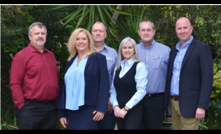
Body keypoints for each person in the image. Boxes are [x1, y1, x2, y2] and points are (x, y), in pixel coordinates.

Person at [164, 17, 213, 130]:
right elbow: (169, 77)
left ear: (191, 28)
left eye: (185, 27)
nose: (182, 31)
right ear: (176, 31)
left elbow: (207, 78)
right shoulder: (173, 51)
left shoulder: (202, 48)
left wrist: (202, 106)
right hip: (173, 103)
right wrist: (167, 105)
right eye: (179, 28)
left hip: (191, 105)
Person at [56, 28, 110, 130]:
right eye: (77, 39)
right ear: (74, 42)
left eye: (84, 39)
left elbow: (104, 84)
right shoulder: (70, 61)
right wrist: (63, 113)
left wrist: (101, 109)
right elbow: (64, 87)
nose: (81, 42)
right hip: (71, 109)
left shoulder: (98, 58)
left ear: (89, 41)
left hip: (90, 109)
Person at [10, 22, 60, 130]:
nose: (40, 36)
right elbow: (15, 83)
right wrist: (21, 105)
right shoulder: (21, 56)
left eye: (43, 33)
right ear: (30, 36)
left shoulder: (51, 55)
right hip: (31, 108)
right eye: (37, 33)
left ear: (46, 36)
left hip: (51, 108)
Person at [136, 19, 171, 130]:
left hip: (157, 101)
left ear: (154, 31)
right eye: (143, 30)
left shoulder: (166, 51)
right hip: (136, 100)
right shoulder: (132, 51)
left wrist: (167, 104)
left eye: (148, 30)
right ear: (139, 32)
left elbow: (171, 76)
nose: (146, 32)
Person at [109, 37, 148, 130]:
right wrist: (115, 106)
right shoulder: (117, 67)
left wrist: (126, 108)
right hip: (119, 111)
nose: (127, 50)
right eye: (124, 47)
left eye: (130, 47)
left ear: (134, 50)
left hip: (134, 110)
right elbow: (113, 89)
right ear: (121, 50)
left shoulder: (139, 66)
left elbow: (141, 91)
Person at [91, 22, 118, 130]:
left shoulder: (113, 53)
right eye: (95, 31)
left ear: (105, 34)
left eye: (101, 31)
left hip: (107, 102)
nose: (98, 33)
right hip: (87, 101)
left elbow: (116, 78)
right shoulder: (84, 52)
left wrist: (112, 99)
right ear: (91, 34)